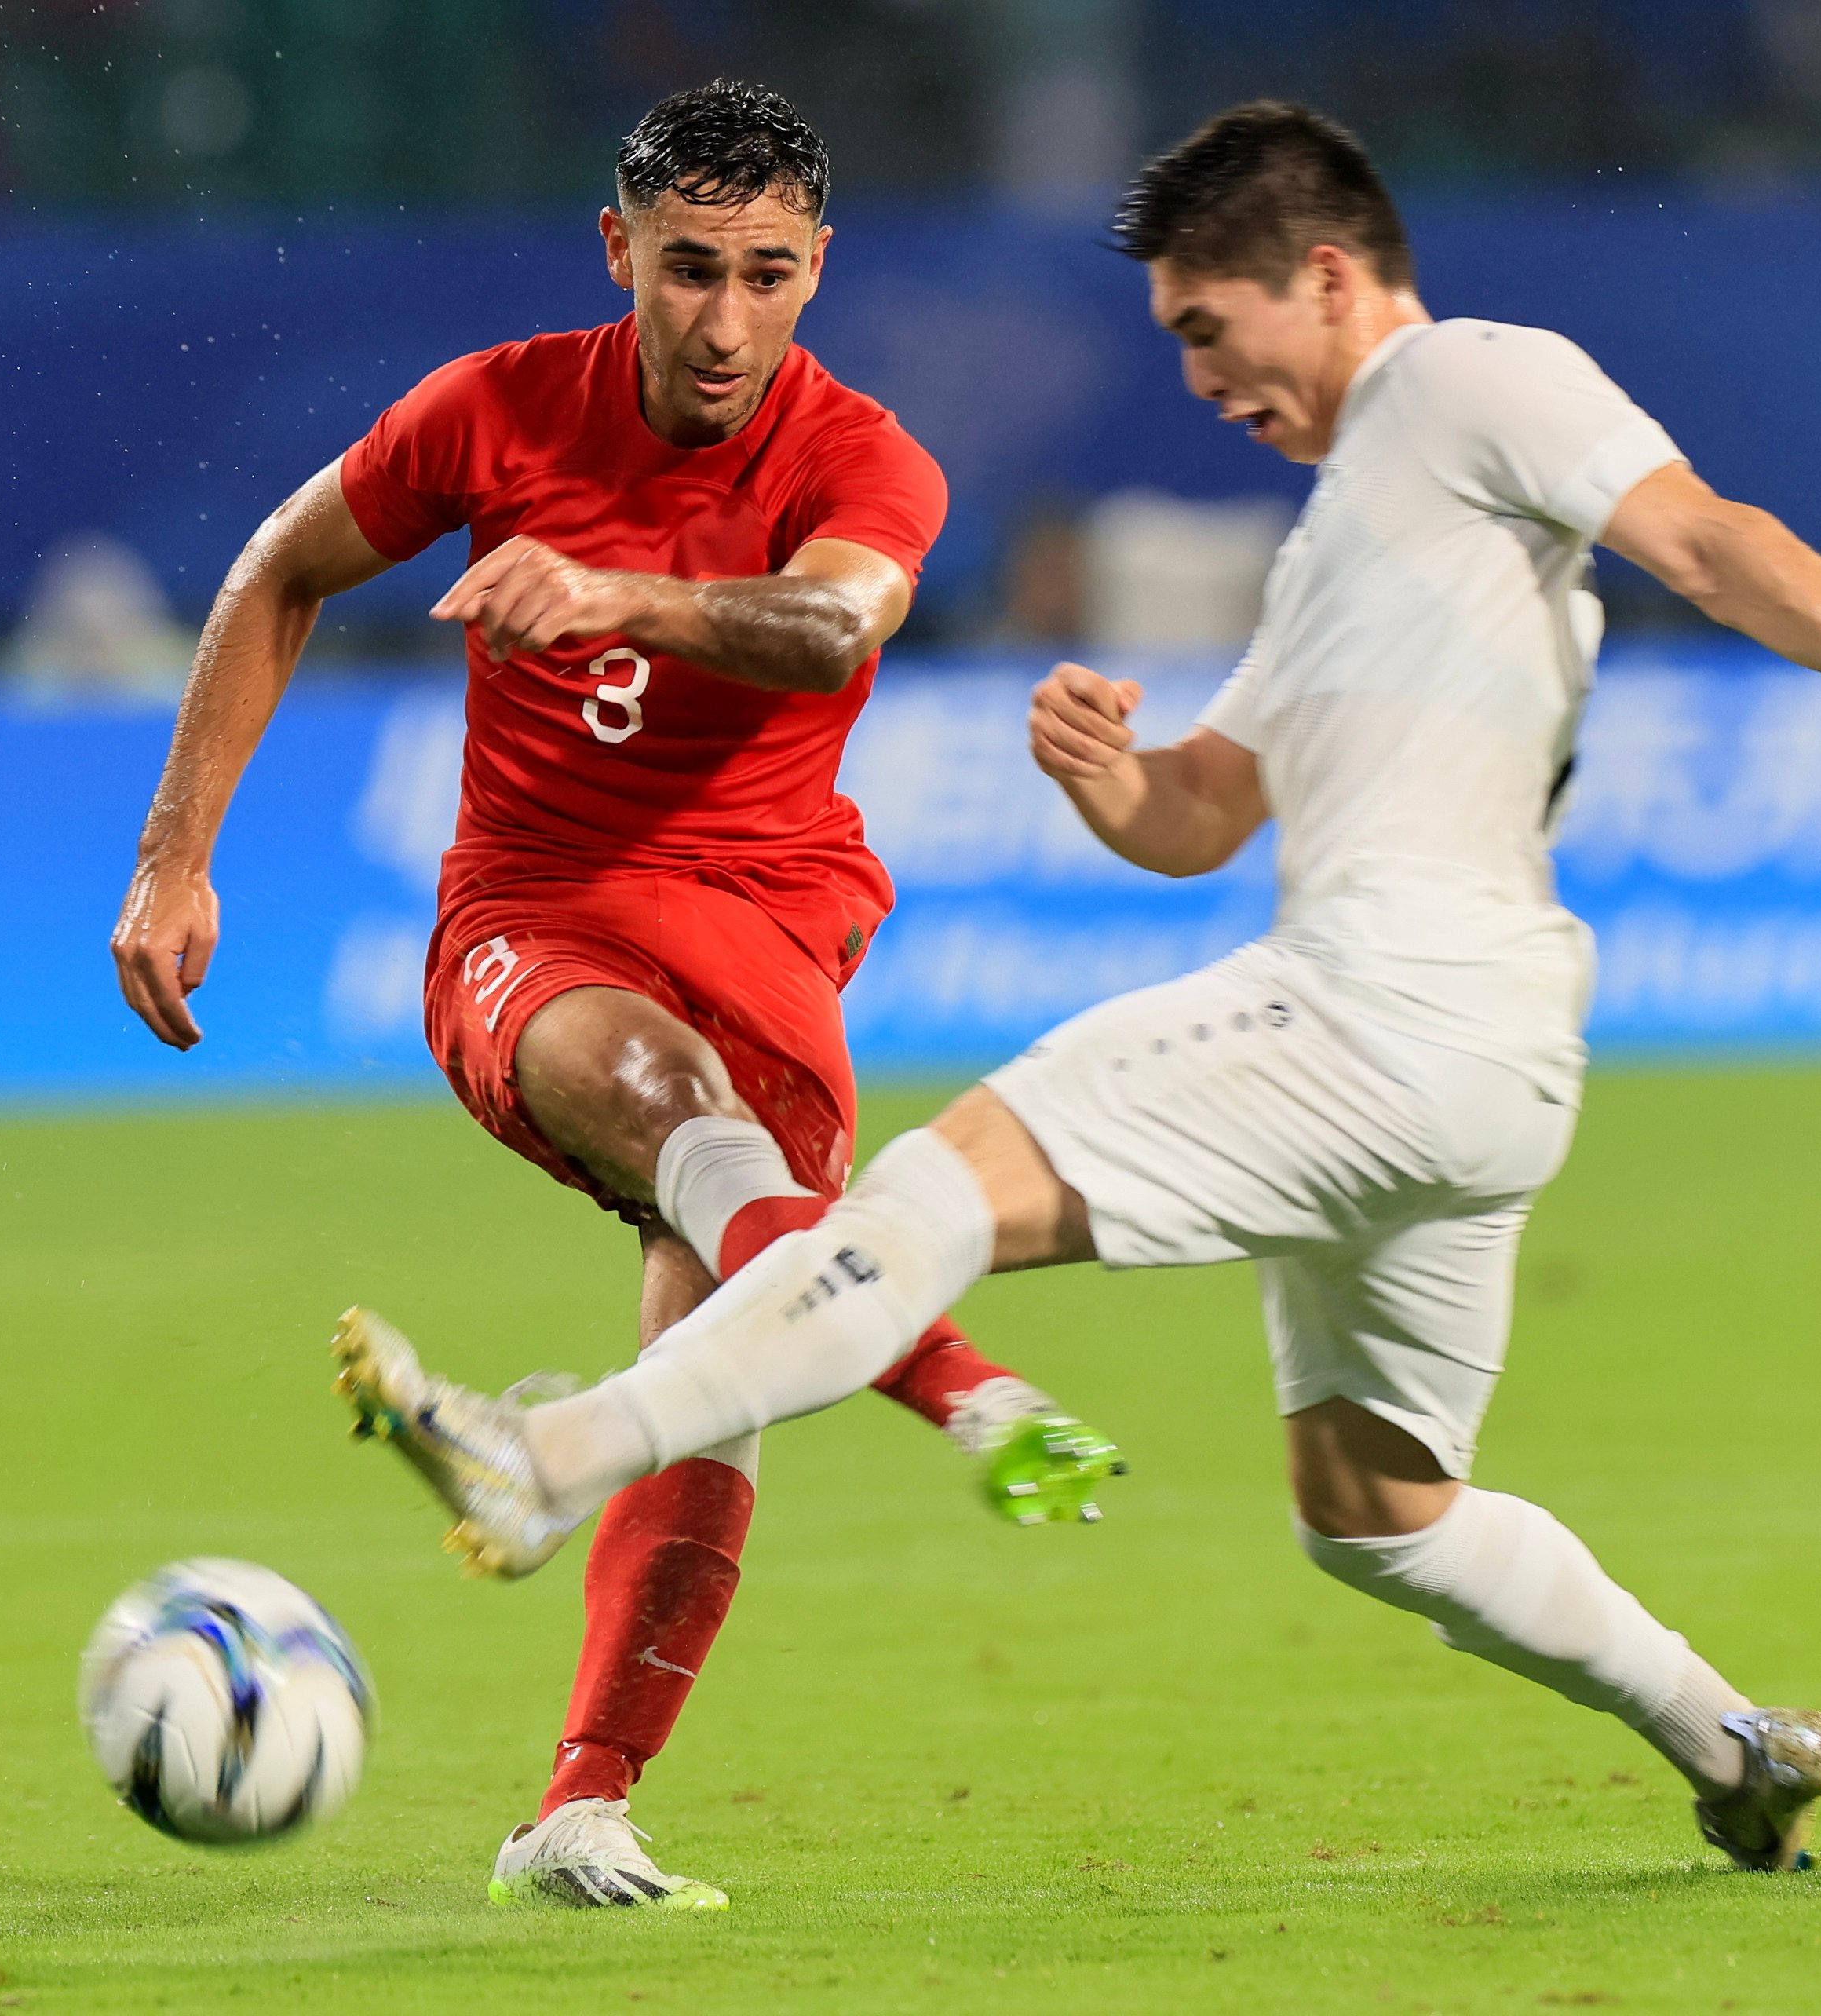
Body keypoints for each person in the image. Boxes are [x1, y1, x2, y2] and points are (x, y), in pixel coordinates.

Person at [331, 100, 1821, 1876]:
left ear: (1322, 277)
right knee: (1377, 1512)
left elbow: (1703, 538)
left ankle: (547, 1459)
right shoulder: (1345, 550)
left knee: (923, 1199)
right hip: (1494, 1075)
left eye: (1202, 328)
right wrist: (1112, 779)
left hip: (1377, 1011)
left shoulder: (1465, 381)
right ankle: (1733, 1740)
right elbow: (1202, 815)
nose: (1197, 379)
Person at [111, 79, 1122, 1915]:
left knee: (712, 1376)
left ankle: (580, 1803)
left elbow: (833, 625)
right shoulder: (491, 409)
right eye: (684, 273)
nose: (722, 322)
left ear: (816, 269)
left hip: (776, 924)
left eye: (761, 276)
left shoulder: (866, 456)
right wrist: (175, 856)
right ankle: (969, 1390)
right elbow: (280, 569)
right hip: (537, 913)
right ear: (617, 251)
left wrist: (620, 596)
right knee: (677, 1115)